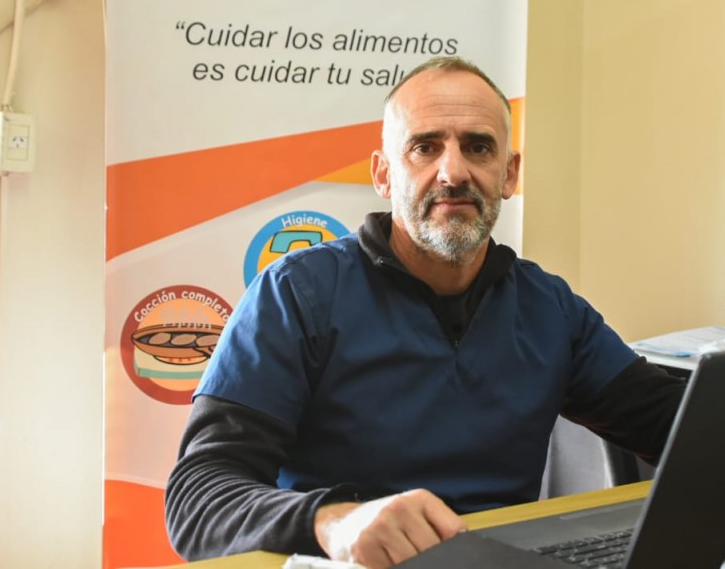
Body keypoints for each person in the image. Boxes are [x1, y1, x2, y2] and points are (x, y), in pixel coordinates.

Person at [165, 56, 686, 568]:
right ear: (384, 174)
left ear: (508, 174)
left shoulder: (549, 307)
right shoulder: (298, 294)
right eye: (424, 147)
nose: (453, 173)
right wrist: (335, 523)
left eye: (478, 147)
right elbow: (197, 499)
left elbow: (677, 428)